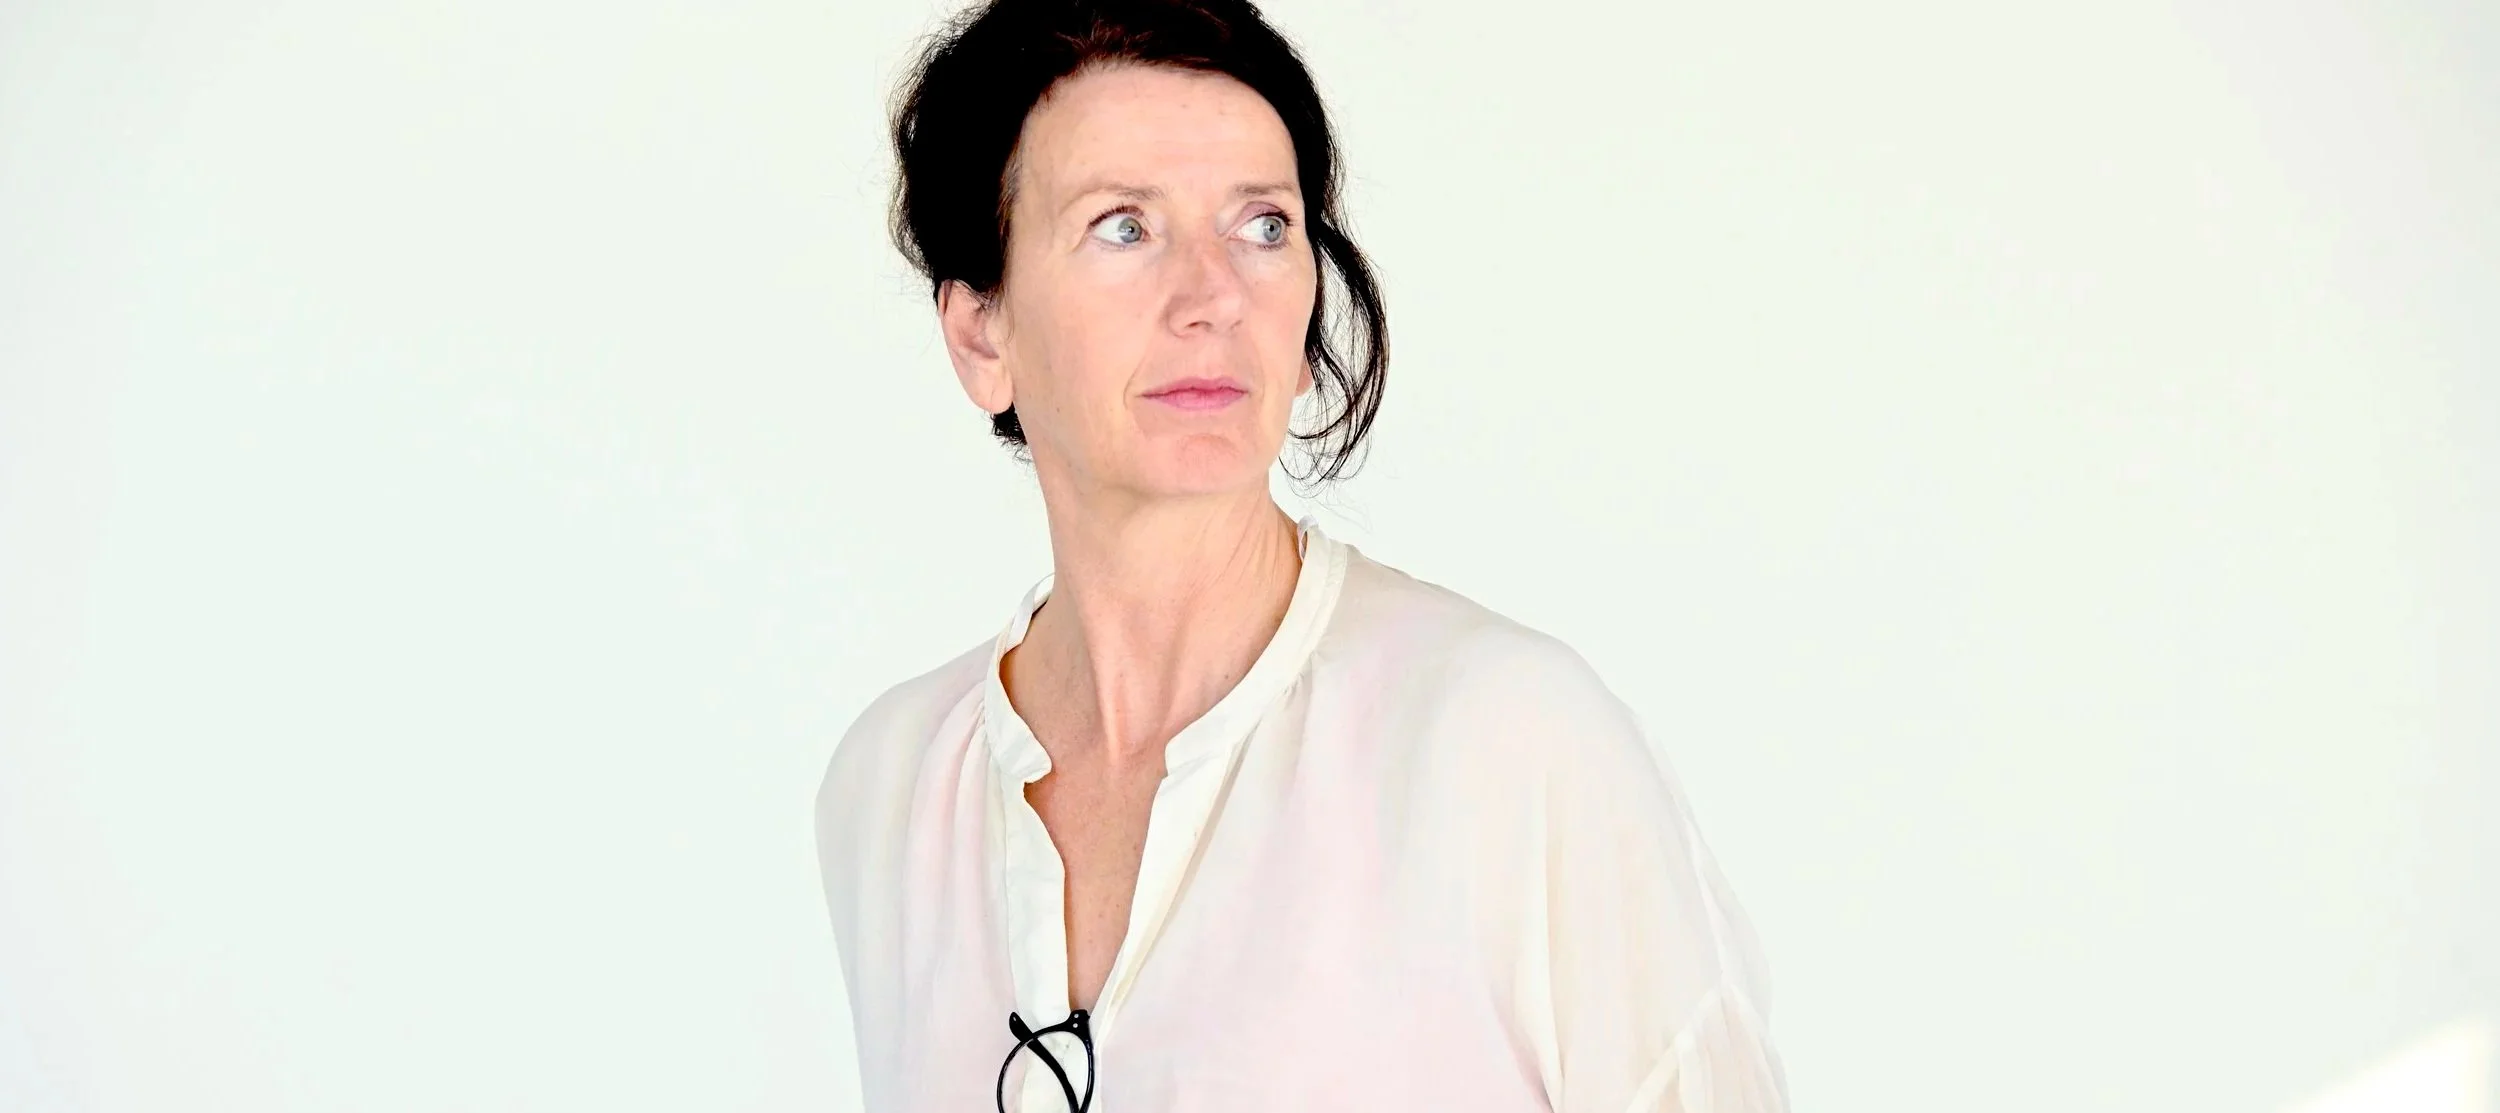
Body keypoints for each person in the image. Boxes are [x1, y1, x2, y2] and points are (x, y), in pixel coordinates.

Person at [812, 2, 1790, 1110]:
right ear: (981, 333)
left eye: (1263, 226)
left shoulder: (1508, 744)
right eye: (1123, 227)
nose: (1213, 295)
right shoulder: (893, 789)